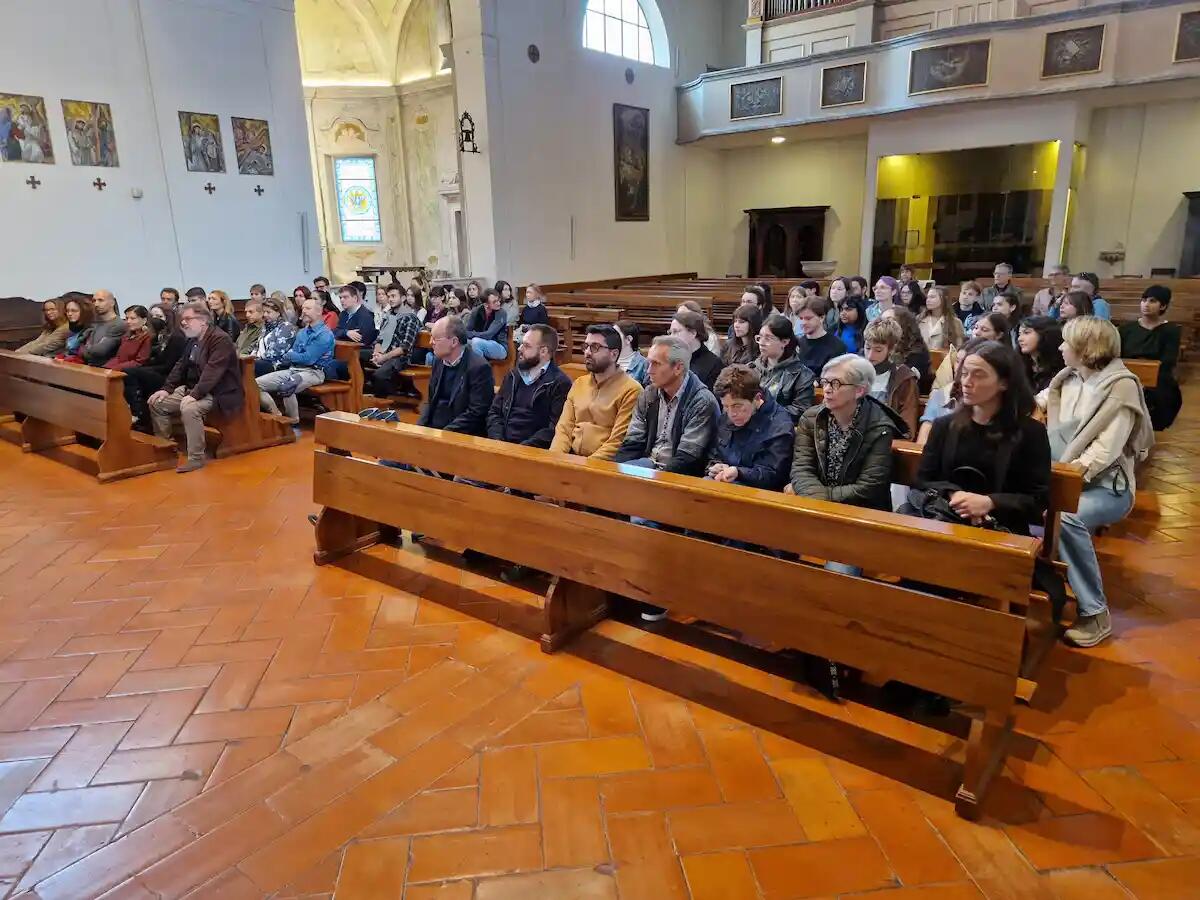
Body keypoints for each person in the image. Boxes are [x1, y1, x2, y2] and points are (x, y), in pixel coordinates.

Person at [1043, 317, 1154, 646]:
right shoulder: (1068, 379)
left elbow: (1105, 451)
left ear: (1084, 348)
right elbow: (1036, 402)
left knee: (1067, 517)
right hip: (1066, 475)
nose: (1061, 348)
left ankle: (1095, 612)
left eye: (1066, 342)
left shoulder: (1121, 387)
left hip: (1109, 487)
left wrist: (1062, 478)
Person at [916, 341, 1050, 535]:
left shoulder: (1031, 433)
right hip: (944, 520)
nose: (967, 382)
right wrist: (955, 495)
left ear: (1004, 382)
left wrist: (990, 502)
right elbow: (923, 480)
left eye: (978, 375)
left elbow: (1038, 499)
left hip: (1002, 530)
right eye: (964, 373)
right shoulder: (944, 426)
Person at [790, 353, 908, 509]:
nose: (826, 389)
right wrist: (816, 501)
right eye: (824, 382)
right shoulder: (810, 418)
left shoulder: (880, 428)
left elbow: (868, 487)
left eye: (836, 383)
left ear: (859, 390)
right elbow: (802, 469)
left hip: (861, 511)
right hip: (815, 503)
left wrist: (818, 499)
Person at [149, 300, 244, 473]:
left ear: (203, 320)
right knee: (157, 402)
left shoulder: (219, 339)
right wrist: (167, 388)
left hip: (219, 393)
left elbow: (213, 371)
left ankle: (196, 458)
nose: (183, 322)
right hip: (194, 389)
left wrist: (194, 395)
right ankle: (167, 447)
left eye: (188, 319)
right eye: (182, 319)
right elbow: (180, 365)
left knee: (190, 409)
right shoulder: (192, 338)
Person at [614, 335, 719, 477]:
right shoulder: (649, 394)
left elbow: (688, 457)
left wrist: (655, 478)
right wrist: (616, 470)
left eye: (656, 364)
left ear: (678, 368)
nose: (648, 370)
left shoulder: (701, 401)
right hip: (648, 465)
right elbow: (633, 441)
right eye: (648, 363)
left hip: (681, 474)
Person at [551, 325, 642, 460]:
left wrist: (585, 467)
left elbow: (617, 442)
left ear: (614, 354)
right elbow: (564, 429)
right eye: (586, 346)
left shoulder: (631, 390)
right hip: (570, 459)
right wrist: (555, 459)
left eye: (595, 347)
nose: (587, 352)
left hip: (603, 466)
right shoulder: (579, 383)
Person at [705, 364, 795, 491]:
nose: (731, 414)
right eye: (726, 406)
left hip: (760, 493)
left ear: (757, 398)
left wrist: (739, 472)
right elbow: (714, 454)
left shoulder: (779, 426)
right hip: (725, 482)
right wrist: (715, 466)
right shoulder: (727, 416)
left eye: (737, 406)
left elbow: (772, 476)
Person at [487, 324, 571, 448]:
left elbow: (553, 428)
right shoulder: (513, 375)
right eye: (521, 344)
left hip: (532, 452)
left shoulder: (560, 383)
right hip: (500, 446)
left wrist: (520, 450)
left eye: (526, 346)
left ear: (543, 351)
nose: (519, 348)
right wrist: (498, 440)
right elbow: (494, 412)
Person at [255, 297, 336, 426]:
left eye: (308, 308)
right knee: (255, 384)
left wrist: (293, 355)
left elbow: (309, 359)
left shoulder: (324, 334)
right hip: (294, 369)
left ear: (319, 312)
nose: (303, 311)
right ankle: (277, 415)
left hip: (314, 372)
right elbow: (292, 355)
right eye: (303, 308)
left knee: (288, 386)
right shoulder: (302, 332)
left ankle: (293, 422)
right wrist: (294, 355)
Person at [1120, 285, 1183, 431]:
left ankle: (1148, 430)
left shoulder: (1171, 331)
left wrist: (1147, 372)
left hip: (1158, 375)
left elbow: (1168, 359)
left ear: (1163, 306)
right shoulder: (1127, 329)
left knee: (1163, 393)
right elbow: (1119, 355)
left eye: (1152, 301)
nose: (1146, 305)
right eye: (1143, 300)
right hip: (1128, 374)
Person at [418, 315, 495, 435]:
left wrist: (444, 434)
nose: (430, 342)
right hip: (436, 427)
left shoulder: (479, 367)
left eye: (435, 339)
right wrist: (420, 428)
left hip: (460, 432)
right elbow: (431, 400)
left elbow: (476, 412)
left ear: (454, 342)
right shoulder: (438, 361)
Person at [124, 304, 188, 431]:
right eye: (152, 316)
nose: (155, 319)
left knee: (132, 373)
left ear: (168, 318)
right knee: (133, 375)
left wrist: (144, 369)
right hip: (158, 371)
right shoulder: (157, 335)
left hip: (170, 377)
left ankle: (138, 414)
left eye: (159, 316)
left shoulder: (176, 337)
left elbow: (169, 365)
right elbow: (153, 359)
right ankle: (141, 418)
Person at [753, 314, 816, 424]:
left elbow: (800, 411)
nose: (762, 343)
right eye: (760, 337)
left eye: (768, 338)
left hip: (778, 429)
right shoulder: (752, 368)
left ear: (785, 342)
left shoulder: (802, 375)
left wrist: (764, 409)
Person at [862, 318, 919, 438]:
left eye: (878, 350)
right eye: (867, 348)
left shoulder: (904, 379)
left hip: (885, 441)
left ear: (891, 350)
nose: (870, 355)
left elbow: (907, 430)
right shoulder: (853, 370)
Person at [366, 284, 421, 397]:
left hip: (399, 358)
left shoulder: (410, 317)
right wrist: (377, 352)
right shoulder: (388, 315)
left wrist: (383, 358)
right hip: (384, 352)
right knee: (357, 356)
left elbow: (405, 347)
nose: (390, 299)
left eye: (393, 296)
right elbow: (379, 338)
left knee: (379, 375)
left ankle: (386, 402)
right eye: (389, 296)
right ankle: (366, 397)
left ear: (403, 298)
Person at [880, 306, 932, 393]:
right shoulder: (879, 347)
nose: (883, 325)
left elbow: (905, 383)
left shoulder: (918, 354)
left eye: (889, 320)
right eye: (882, 320)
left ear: (903, 324)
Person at [669, 309, 722, 390]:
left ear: (693, 333)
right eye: (670, 332)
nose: (671, 337)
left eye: (676, 332)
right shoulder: (671, 359)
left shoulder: (714, 364)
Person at [795, 297, 848, 374]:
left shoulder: (836, 346)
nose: (803, 323)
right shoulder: (797, 344)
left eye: (808, 318)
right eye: (801, 318)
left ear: (822, 318)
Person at [1017, 316, 1065, 393]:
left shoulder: (1062, 368)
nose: (1020, 339)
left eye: (1026, 333)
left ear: (1044, 334)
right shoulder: (1019, 366)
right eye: (1019, 334)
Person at [80, 290, 125, 366]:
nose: (96, 304)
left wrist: (86, 349)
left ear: (112, 303)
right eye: (94, 301)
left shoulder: (118, 324)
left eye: (101, 300)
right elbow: (82, 348)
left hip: (104, 369)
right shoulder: (95, 323)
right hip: (89, 366)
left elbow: (100, 351)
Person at [254, 298, 298, 376]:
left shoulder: (286, 327)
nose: (265, 315)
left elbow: (277, 352)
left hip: (276, 364)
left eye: (268, 312)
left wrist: (257, 359)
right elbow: (257, 347)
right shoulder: (265, 327)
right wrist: (251, 357)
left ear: (278, 313)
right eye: (264, 312)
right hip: (262, 361)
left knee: (251, 366)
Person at [103, 305, 152, 370]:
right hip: (117, 368)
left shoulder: (147, 337)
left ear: (144, 320)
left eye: (132, 318)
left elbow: (139, 362)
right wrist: (105, 368)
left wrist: (116, 368)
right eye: (127, 318)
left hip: (130, 373)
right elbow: (119, 357)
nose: (128, 321)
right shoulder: (127, 335)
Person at [465, 288, 509, 360]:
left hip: (499, 346)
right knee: (461, 343)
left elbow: (489, 335)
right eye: (495, 302)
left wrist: (472, 334)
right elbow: (466, 332)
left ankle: (481, 369)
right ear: (486, 305)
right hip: (481, 342)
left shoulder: (501, 313)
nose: (498, 303)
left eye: (498, 300)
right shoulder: (476, 311)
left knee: (476, 342)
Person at [919, 285, 965, 351]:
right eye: (927, 297)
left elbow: (958, 347)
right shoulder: (919, 320)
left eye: (932, 297)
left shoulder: (955, 323)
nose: (928, 300)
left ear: (944, 298)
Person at [56, 298, 93, 363]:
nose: (69, 314)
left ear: (83, 312)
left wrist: (70, 359)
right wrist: (62, 356)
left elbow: (87, 355)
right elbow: (67, 350)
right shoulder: (68, 328)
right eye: (67, 311)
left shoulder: (90, 330)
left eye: (74, 311)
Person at [615, 320, 649, 385]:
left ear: (628, 339)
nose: (611, 338)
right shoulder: (607, 360)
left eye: (616, 335)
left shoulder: (644, 364)